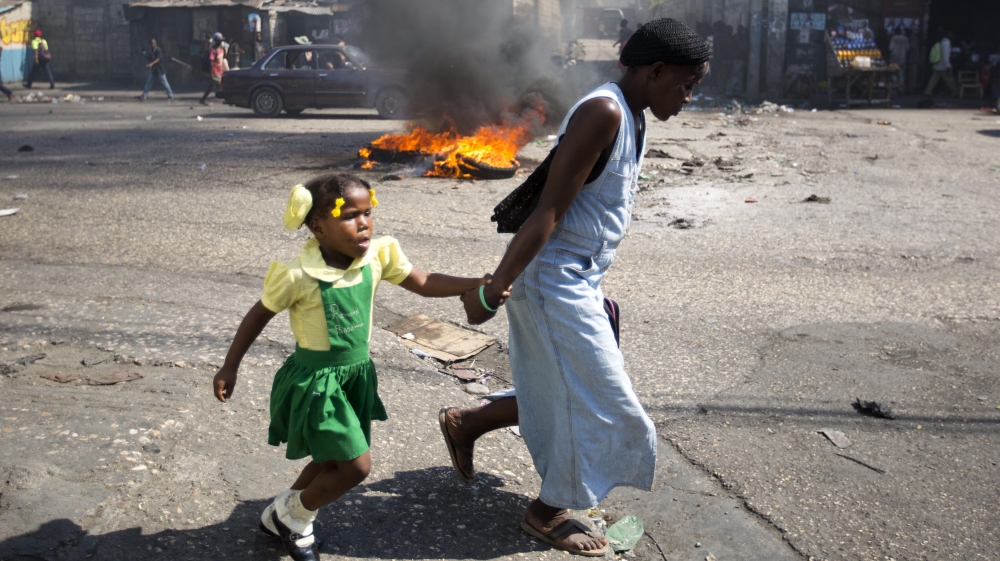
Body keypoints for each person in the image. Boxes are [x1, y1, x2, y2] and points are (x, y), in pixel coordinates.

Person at [438, 18, 710, 557]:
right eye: (684, 84)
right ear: (655, 71)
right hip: (554, 281)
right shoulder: (603, 111)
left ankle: (467, 422)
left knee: (563, 386)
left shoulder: (633, 113)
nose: (687, 97)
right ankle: (547, 511)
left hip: (581, 277)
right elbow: (551, 209)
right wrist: (495, 289)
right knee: (606, 403)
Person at [213, 173, 497, 561]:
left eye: (368, 213)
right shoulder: (298, 275)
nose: (363, 222)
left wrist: (474, 283)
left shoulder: (378, 256)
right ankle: (293, 517)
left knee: (332, 459)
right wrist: (230, 366)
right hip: (316, 383)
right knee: (356, 467)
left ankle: (281, 515)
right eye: (349, 215)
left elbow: (423, 280)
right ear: (318, 227)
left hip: (354, 377)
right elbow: (258, 315)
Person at [924, 29, 959, 98]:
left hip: (938, 65)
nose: (952, 36)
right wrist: (948, 65)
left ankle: (928, 91)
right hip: (943, 65)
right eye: (951, 35)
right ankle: (955, 92)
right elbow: (945, 55)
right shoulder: (946, 44)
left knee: (933, 79)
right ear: (948, 36)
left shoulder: (942, 42)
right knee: (949, 80)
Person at [200, 32, 226, 106]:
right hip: (215, 70)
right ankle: (203, 99)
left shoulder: (222, 49)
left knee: (215, 85)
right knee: (215, 85)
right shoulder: (213, 50)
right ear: (216, 40)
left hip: (220, 70)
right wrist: (211, 73)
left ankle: (204, 98)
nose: (221, 41)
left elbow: (224, 59)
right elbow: (211, 62)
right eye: (219, 40)